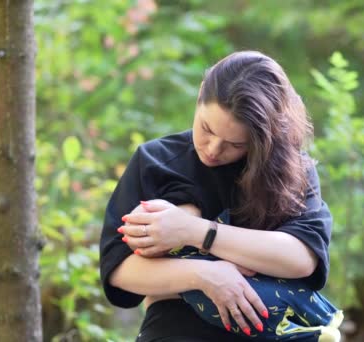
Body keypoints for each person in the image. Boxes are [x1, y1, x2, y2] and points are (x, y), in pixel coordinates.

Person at [99, 51, 342, 341]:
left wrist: (195, 232)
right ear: (201, 94)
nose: (213, 149)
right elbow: (119, 268)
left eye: (235, 144)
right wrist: (204, 275)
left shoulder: (291, 170)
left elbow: (302, 256)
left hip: (272, 329)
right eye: (206, 129)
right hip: (176, 328)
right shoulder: (155, 161)